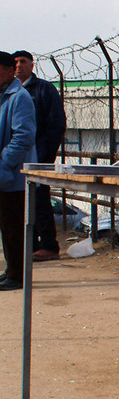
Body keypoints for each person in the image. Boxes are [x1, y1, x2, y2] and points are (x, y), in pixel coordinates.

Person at [13, 50, 66, 261]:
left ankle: (49, 246)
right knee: (22, 203)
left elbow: (56, 124)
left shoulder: (43, 90)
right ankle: (31, 245)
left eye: (23, 62)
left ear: (32, 65)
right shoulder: (11, 91)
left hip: (38, 157)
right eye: (15, 62)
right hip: (17, 158)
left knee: (40, 200)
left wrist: (44, 156)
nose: (18, 66)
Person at [0, 51, 37, 291]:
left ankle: (18, 275)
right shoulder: (4, 95)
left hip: (13, 175)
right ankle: (11, 270)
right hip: (4, 175)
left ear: (6, 70)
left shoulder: (19, 97)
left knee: (14, 226)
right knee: (6, 226)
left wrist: (3, 163)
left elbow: (23, 136)